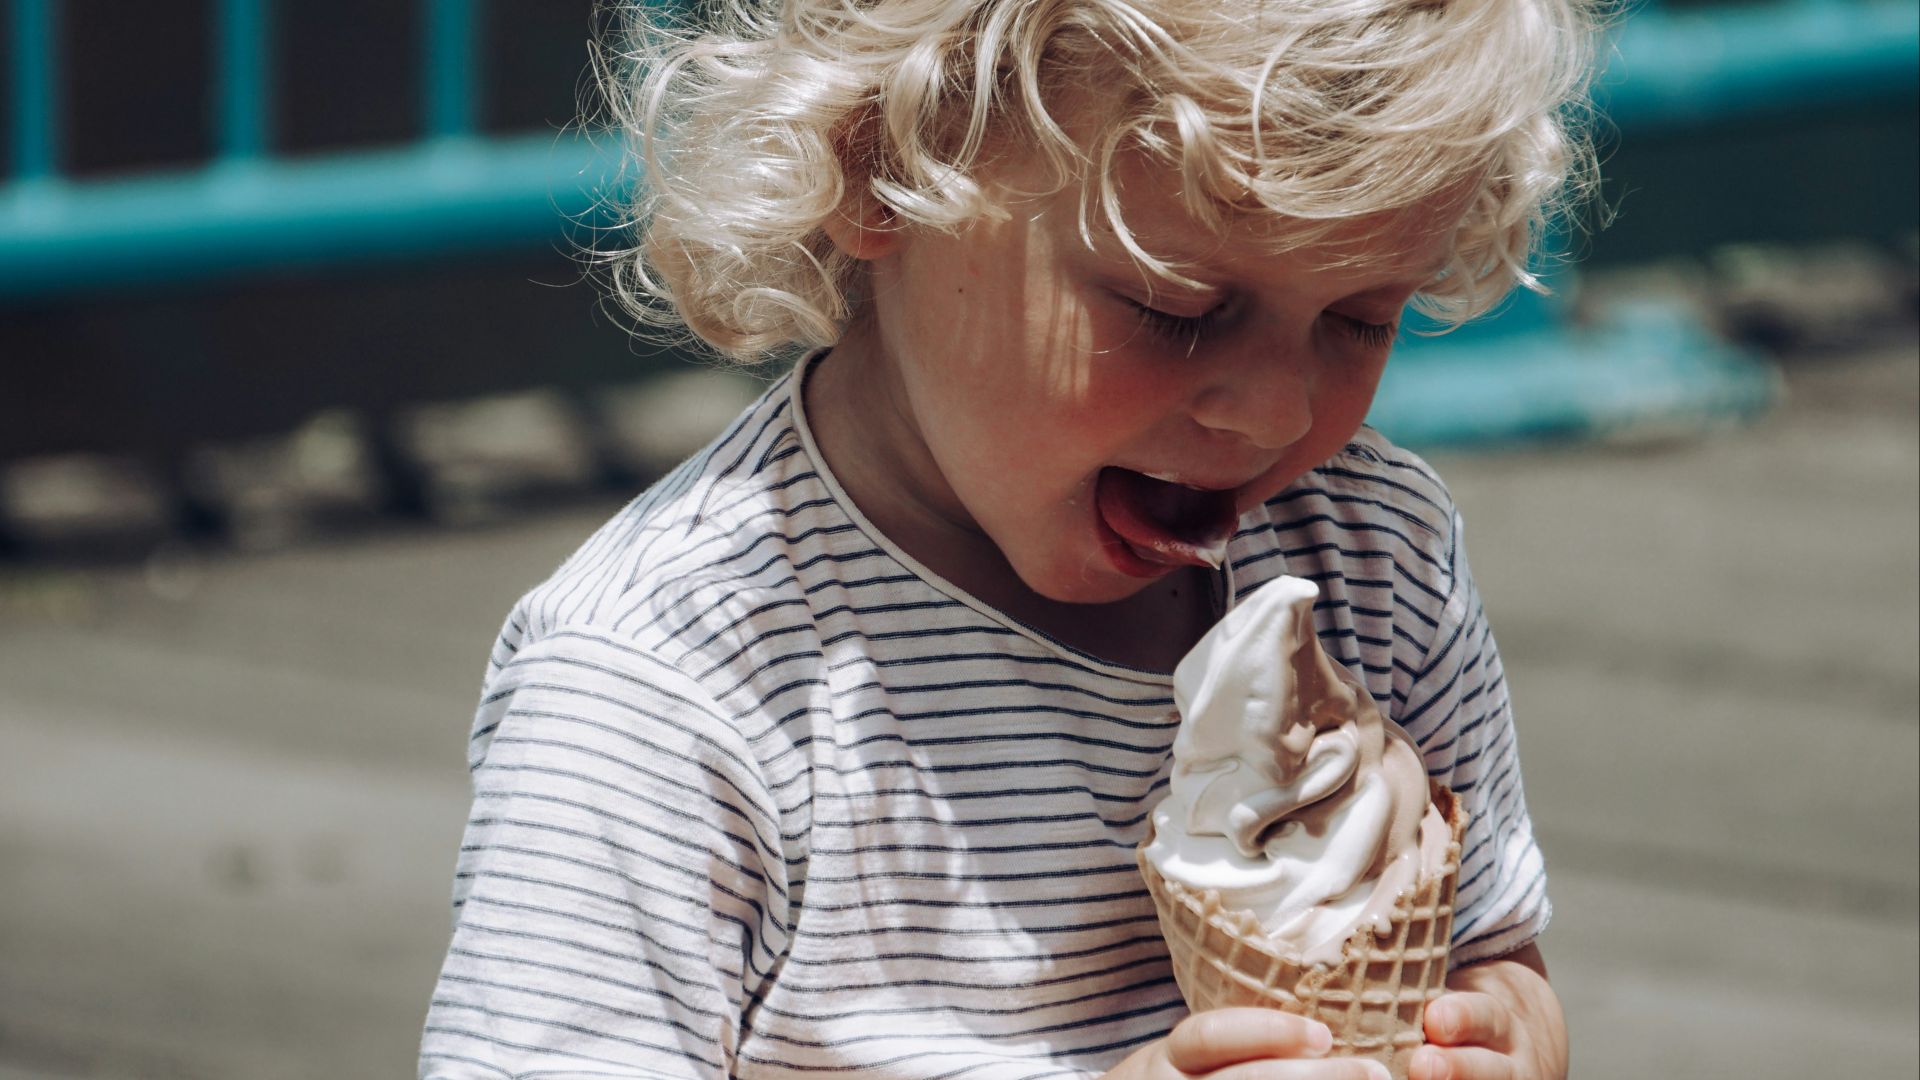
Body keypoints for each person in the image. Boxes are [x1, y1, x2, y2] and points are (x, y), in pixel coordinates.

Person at [421, 0, 1599, 1075]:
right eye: (1174, 307)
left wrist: (1501, 1037)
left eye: (1358, 319)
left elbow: (1492, 952)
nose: (1277, 412)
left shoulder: (1371, 557)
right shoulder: (669, 685)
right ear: (883, 169)